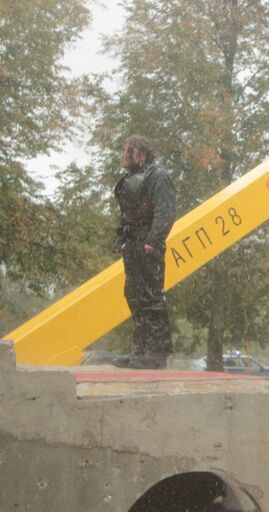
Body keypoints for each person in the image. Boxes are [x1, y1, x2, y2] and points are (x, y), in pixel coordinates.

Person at [113, 135, 176, 369]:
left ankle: (158, 352)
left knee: (151, 295)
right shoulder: (131, 178)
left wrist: (154, 239)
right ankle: (140, 350)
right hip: (133, 240)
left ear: (140, 152)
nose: (124, 155)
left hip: (148, 240)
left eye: (128, 151)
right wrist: (120, 239)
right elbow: (126, 213)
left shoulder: (158, 176)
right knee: (134, 295)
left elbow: (165, 211)